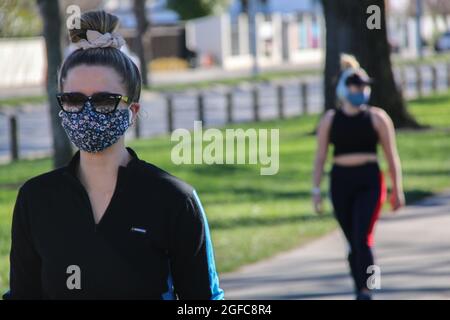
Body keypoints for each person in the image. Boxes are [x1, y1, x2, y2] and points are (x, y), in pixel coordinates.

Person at [3, 10, 224, 300]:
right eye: (74, 99)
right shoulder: (36, 198)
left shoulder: (174, 200)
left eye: (105, 101)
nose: (87, 111)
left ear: (132, 111)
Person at [312, 54, 405, 300]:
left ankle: (368, 289)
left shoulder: (377, 118)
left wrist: (397, 189)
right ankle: (359, 288)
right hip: (341, 181)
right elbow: (320, 157)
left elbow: (391, 156)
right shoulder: (330, 120)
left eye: (364, 86)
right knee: (353, 243)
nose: (360, 90)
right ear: (344, 87)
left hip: (369, 181)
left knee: (363, 237)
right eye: (355, 85)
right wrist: (315, 189)